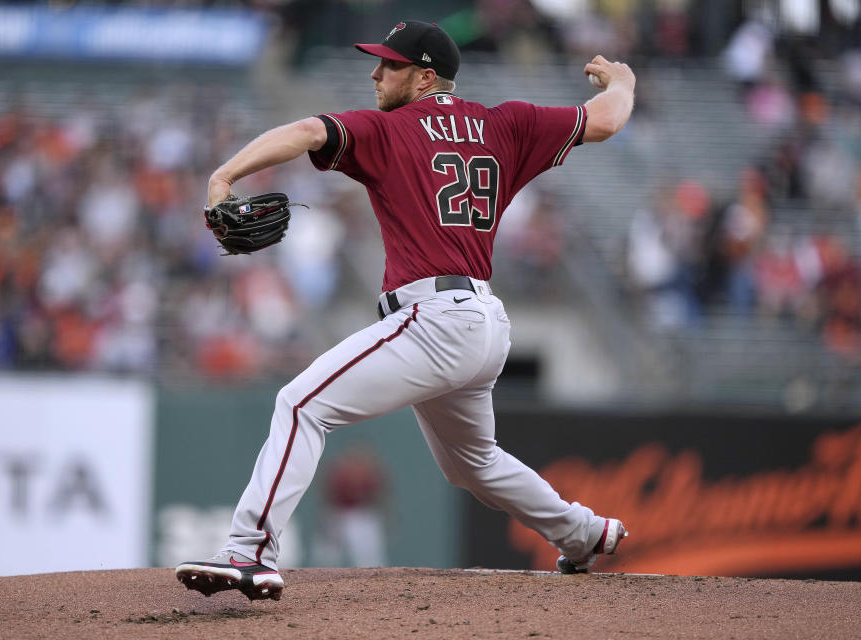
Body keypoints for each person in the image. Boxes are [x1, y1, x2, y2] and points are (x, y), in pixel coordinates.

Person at [176, 20, 636, 602]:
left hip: (434, 319)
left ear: (423, 77)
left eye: (388, 65)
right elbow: (607, 118)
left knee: (299, 405)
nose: (374, 72)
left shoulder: (389, 130)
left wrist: (224, 176)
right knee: (471, 461)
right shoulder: (508, 123)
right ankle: (584, 533)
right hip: (485, 323)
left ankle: (250, 551)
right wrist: (622, 79)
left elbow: (304, 131)